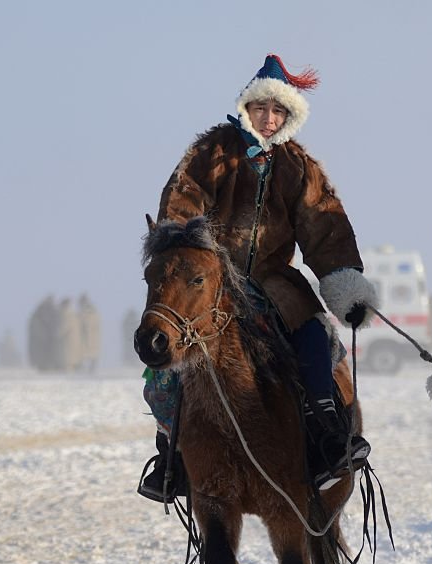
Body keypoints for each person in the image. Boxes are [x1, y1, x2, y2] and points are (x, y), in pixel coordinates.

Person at [137, 54, 377, 503]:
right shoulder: (212, 152)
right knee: (166, 359)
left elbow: (324, 228)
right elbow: (181, 205)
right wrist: (191, 260)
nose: (268, 119)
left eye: (277, 111)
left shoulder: (298, 167)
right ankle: (171, 453)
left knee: (315, 338)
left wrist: (345, 283)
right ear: (246, 107)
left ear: (288, 117)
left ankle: (325, 436)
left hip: (274, 282)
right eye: (261, 108)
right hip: (209, 283)